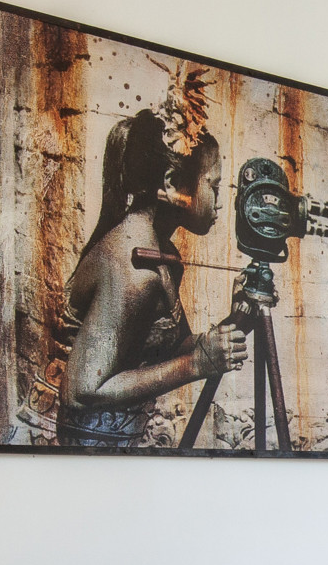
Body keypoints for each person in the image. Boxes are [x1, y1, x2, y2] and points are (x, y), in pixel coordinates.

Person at [57, 109, 248, 446]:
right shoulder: (133, 268)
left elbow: (174, 348)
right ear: (171, 184)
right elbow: (82, 390)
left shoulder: (159, 253)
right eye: (214, 186)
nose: (219, 203)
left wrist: (236, 319)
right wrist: (195, 365)